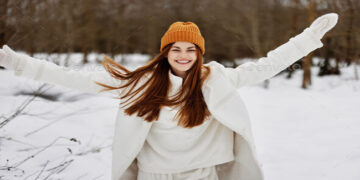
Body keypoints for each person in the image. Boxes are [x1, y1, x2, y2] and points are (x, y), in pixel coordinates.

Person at [0, 13, 338, 180]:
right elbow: (73, 78)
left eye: (190, 49)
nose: (183, 55)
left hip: (202, 175)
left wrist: (307, 39)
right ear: (165, 52)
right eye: (176, 49)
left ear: (199, 53)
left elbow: (268, 65)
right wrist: (16, 63)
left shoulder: (216, 79)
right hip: (154, 176)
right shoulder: (141, 83)